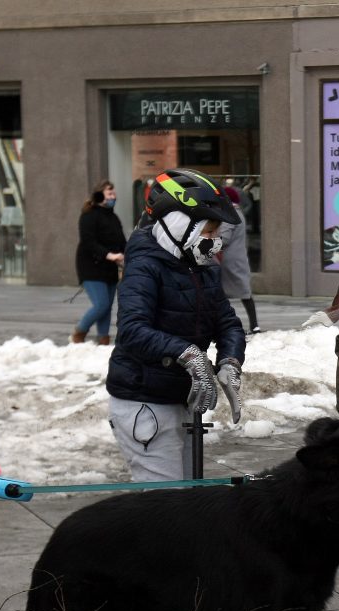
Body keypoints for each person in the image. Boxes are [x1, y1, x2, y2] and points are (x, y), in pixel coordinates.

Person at [107, 169, 246, 483]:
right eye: (208, 232)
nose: (214, 241)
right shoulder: (145, 265)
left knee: (186, 502)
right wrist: (189, 354)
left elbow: (228, 323)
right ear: (181, 225)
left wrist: (230, 360)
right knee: (165, 506)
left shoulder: (202, 268)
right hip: (145, 401)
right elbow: (132, 330)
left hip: (182, 399)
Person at [73, 180, 125, 344]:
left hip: (109, 268)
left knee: (108, 306)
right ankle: (79, 332)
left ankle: (103, 339)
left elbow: (121, 241)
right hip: (91, 267)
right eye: (110, 194)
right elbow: (89, 242)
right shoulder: (88, 215)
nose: (113, 196)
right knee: (101, 304)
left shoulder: (113, 217)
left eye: (114, 193)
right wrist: (108, 255)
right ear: (99, 195)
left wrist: (127, 255)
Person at [219, 186, 262, 334]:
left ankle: (222, 327)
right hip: (238, 258)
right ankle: (254, 325)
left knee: (220, 295)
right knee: (244, 293)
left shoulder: (229, 215)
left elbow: (223, 238)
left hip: (227, 261)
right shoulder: (239, 213)